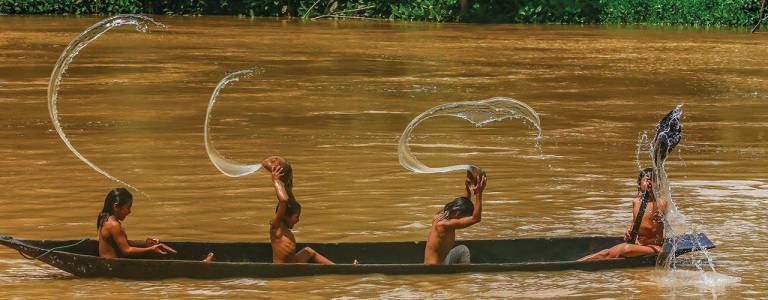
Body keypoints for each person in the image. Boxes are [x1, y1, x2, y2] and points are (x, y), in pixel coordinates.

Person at [97, 188, 214, 262]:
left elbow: (122, 243)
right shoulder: (113, 224)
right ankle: (198, 265)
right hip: (113, 265)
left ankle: (194, 262)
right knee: (158, 252)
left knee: (160, 246)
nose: (129, 211)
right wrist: (151, 249)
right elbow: (126, 250)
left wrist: (145, 243)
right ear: (116, 206)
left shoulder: (107, 219)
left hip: (116, 262)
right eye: (128, 208)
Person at [578, 168, 666, 261]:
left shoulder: (661, 203)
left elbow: (661, 215)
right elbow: (635, 223)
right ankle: (578, 262)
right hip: (637, 245)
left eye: (654, 181)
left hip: (653, 247)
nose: (650, 183)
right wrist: (629, 232)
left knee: (625, 249)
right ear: (639, 185)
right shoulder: (636, 202)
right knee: (605, 253)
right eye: (646, 180)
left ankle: (657, 250)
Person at [263, 156, 334, 264]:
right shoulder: (276, 226)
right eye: (296, 217)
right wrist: (276, 181)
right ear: (286, 216)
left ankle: (338, 268)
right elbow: (283, 201)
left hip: (293, 262)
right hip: (282, 268)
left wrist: (288, 188)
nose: (298, 221)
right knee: (306, 251)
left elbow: (289, 200)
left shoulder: (285, 226)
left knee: (308, 251)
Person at [424, 166, 486, 264]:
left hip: (442, 259)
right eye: (464, 217)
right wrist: (479, 194)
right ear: (458, 214)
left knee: (462, 250)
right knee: (463, 250)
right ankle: (464, 276)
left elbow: (464, 203)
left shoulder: (444, 214)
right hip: (435, 267)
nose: (465, 219)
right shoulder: (444, 224)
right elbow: (476, 218)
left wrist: (468, 185)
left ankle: (461, 275)